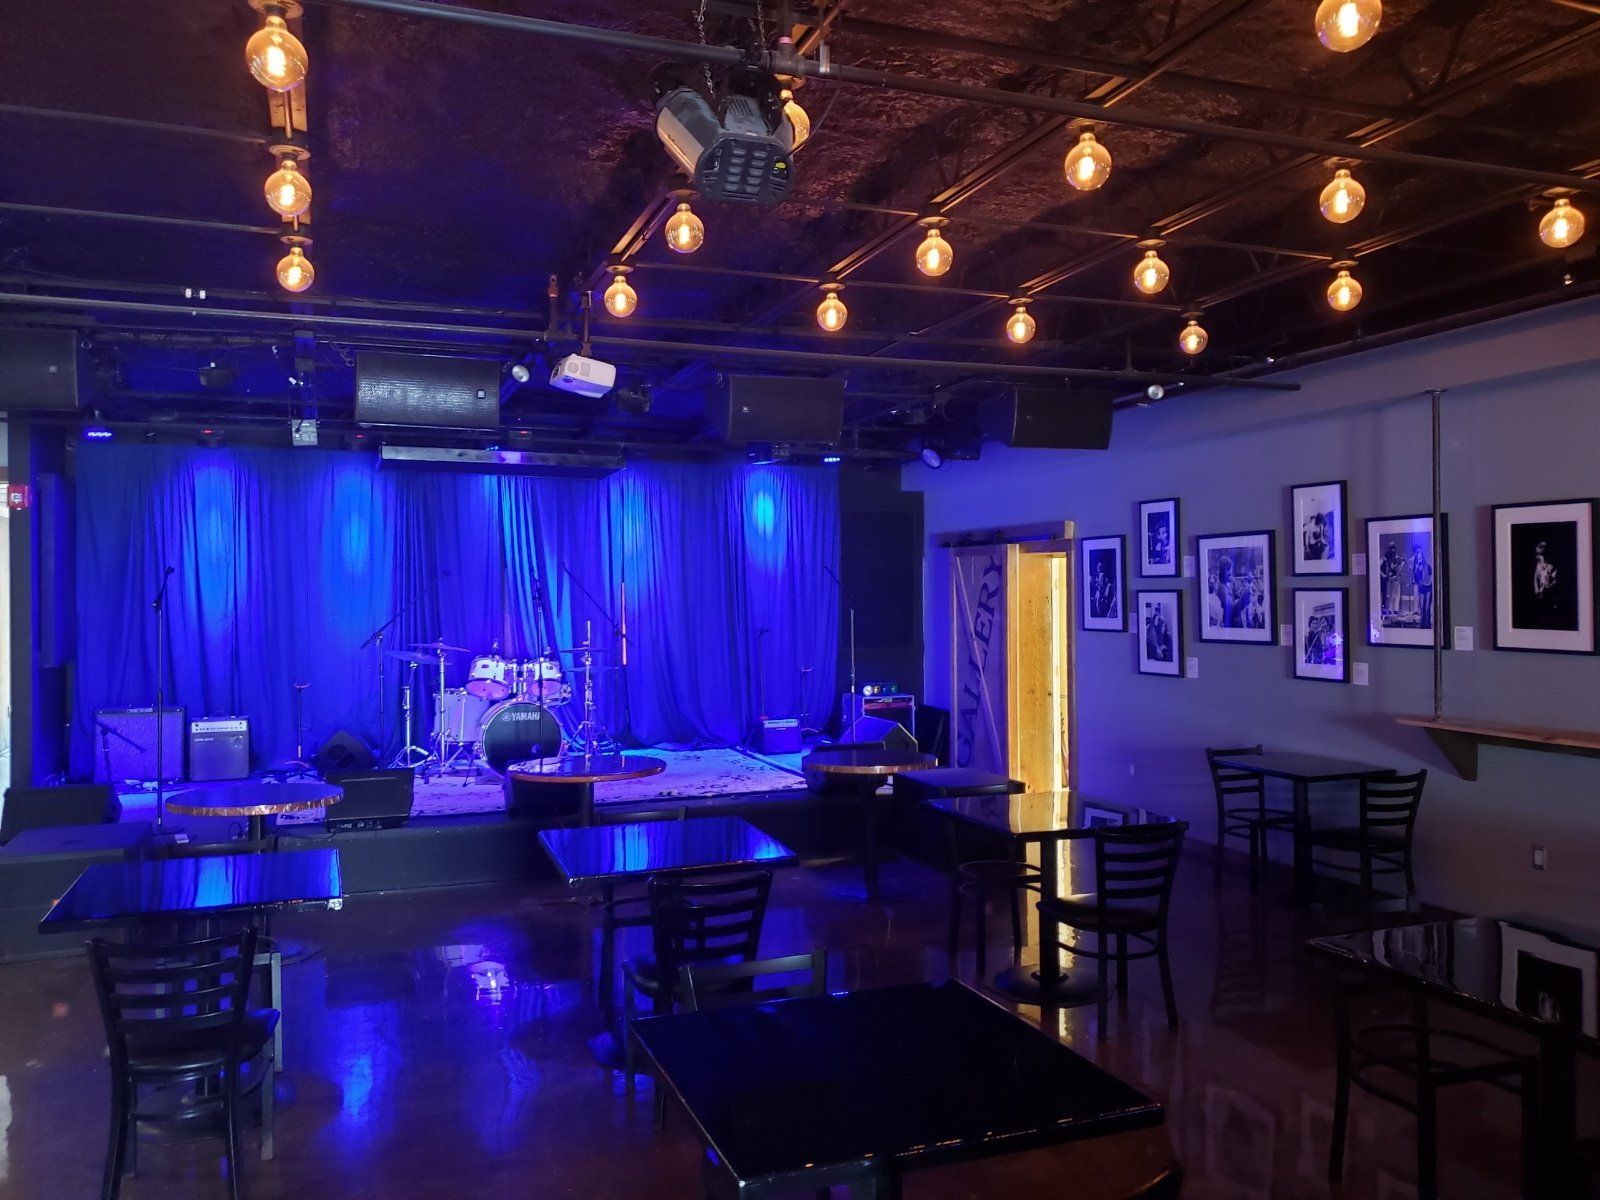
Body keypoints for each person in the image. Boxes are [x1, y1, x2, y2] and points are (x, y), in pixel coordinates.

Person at [1413, 545, 1434, 629]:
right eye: (1418, 558)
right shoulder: (1416, 568)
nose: (1419, 558)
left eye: (1420, 557)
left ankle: (1427, 624)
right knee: (1422, 607)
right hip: (1422, 588)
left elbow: (1431, 576)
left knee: (1426, 607)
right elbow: (1417, 579)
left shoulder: (1427, 565)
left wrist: (1431, 584)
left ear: (1423, 557)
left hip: (1428, 586)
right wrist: (1417, 568)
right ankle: (1422, 625)